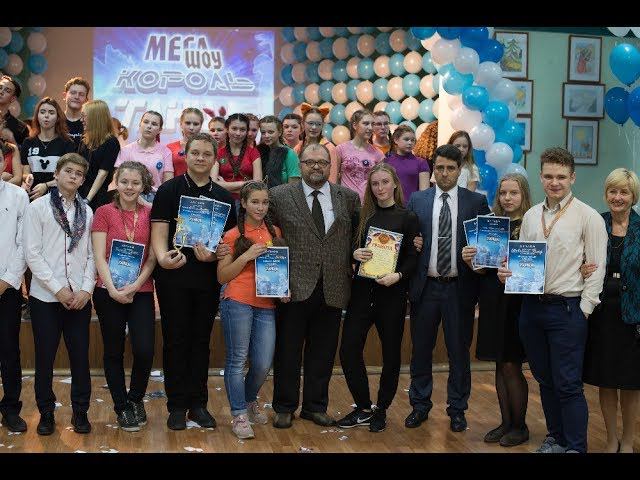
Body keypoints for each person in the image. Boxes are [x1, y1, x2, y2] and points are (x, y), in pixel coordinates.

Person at [498, 147, 607, 454]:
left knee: (568, 384)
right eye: (548, 176)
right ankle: (556, 439)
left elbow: (597, 267)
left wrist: (584, 310)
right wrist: (508, 273)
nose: (554, 182)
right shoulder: (532, 215)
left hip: (567, 310)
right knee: (544, 380)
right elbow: (522, 261)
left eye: (561, 176)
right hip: (531, 309)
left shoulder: (588, 216)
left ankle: (576, 447)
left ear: (572, 177)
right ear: (541, 177)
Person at [267, 143, 360, 429]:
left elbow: (357, 237)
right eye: (310, 162)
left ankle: (315, 407)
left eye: (322, 162)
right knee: (288, 351)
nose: (316, 166)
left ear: (330, 166)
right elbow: (268, 238)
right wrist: (277, 282)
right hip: (293, 287)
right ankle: (284, 407)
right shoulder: (279, 196)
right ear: (301, 165)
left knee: (323, 352)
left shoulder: (348, 197)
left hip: (333, 285)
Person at [150, 132, 237, 430]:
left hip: (206, 278)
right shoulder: (168, 190)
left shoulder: (223, 197)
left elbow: (227, 245)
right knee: (175, 340)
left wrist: (214, 256)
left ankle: (198, 404)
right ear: (185, 155)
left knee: (201, 341)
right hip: (173, 275)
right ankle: (176, 406)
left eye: (206, 154)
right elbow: (159, 232)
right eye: (195, 153)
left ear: (214, 158)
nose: (200, 158)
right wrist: (162, 258)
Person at [406, 144, 490, 433]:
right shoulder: (417, 200)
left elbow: (488, 245)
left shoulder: (476, 202)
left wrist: (478, 254)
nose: (444, 173)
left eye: (450, 168)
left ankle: (457, 409)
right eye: (439, 168)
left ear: (459, 170)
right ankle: (419, 405)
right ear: (433, 170)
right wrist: (413, 243)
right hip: (425, 288)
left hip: (459, 288)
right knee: (421, 350)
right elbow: (407, 239)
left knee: (459, 352)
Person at [337, 163, 419, 433]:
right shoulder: (362, 217)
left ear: (395, 183)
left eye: (385, 182)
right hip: (362, 293)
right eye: (375, 184)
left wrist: (398, 276)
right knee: (348, 350)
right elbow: (351, 249)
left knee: (391, 355)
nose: (380, 188)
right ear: (369, 188)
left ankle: (381, 409)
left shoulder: (408, 218)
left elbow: (413, 258)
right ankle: (363, 407)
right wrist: (355, 254)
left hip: (392, 295)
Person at [23, 153, 95, 436]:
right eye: (69, 171)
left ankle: (80, 411)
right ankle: (46, 412)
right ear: (57, 174)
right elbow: (32, 253)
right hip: (46, 298)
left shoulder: (86, 211)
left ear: (83, 180)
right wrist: (58, 288)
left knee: (80, 358)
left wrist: (86, 289)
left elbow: (91, 255)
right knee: (45, 358)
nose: (73, 176)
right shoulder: (38, 207)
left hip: (79, 298)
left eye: (79, 174)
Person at [462, 173, 532, 447]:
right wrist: (470, 260)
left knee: (511, 363)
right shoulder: (491, 223)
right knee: (499, 363)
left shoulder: (532, 223)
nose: (507, 198)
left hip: (517, 300)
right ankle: (506, 422)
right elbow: (482, 269)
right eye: (503, 193)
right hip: (492, 297)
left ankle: (520, 426)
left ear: (524, 194)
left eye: (513, 193)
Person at [217, 181, 287, 439]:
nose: (260, 207)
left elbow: (278, 269)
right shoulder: (232, 235)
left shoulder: (275, 232)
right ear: (244, 203)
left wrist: (283, 289)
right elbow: (222, 276)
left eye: (265, 202)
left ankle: (248, 400)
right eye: (255, 202)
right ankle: (239, 414)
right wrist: (246, 256)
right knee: (237, 360)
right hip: (237, 300)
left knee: (263, 363)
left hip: (266, 304)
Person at [91, 161, 156, 432]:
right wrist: (113, 290)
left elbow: (152, 257)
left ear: (143, 185)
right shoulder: (103, 212)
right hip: (108, 291)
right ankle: (122, 407)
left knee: (144, 349)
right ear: (116, 183)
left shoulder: (151, 213)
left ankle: (136, 398)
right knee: (113, 350)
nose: (129, 187)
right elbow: (98, 257)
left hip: (141, 290)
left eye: (135, 182)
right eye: (124, 182)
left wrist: (134, 286)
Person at [581, 168, 640, 453]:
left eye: (623, 192)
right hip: (601, 313)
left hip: (633, 316)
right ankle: (611, 439)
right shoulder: (596, 223)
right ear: (606, 194)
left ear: (633, 196)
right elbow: (581, 260)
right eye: (612, 191)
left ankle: (628, 440)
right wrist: (581, 268)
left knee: (630, 383)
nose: (617, 197)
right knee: (605, 381)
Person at [0, 151, 29, 432]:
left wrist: (7, 280)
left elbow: (23, 244)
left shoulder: (18, 196)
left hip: (6, 287)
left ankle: (10, 408)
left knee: (9, 349)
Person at [20, 97, 76, 202]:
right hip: (32, 195)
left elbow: (69, 176)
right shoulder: (28, 142)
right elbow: (25, 172)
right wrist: (27, 177)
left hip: (58, 197)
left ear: (58, 117)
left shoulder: (67, 143)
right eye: (42, 112)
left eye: (51, 112)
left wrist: (46, 185)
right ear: (37, 116)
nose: (46, 116)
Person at [114, 110, 173, 204]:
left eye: (154, 124)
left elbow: (168, 183)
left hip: (155, 198)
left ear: (160, 129)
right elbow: (117, 178)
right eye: (146, 122)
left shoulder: (165, 152)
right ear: (140, 124)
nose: (149, 126)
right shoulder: (126, 150)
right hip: (129, 195)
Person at [77, 100, 121, 210]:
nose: (81, 120)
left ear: (95, 118)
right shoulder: (84, 140)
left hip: (96, 197)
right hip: (79, 192)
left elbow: (103, 174)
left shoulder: (111, 142)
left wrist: (88, 199)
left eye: (84, 116)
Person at [335, 109, 385, 202]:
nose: (370, 128)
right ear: (355, 125)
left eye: (372, 124)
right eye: (366, 123)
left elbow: (380, 183)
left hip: (368, 204)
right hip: (345, 204)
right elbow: (334, 179)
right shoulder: (341, 149)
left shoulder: (378, 154)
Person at [212, 113, 262, 200]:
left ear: (246, 131)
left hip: (246, 201)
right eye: (234, 129)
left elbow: (257, 185)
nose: (238, 133)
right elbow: (213, 184)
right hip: (222, 200)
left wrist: (225, 185)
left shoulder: (253, 152)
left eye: (242, 129)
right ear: (227, 129)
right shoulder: (219, 153)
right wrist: (245, 183)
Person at [385, 124, 429, 205]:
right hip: (391, 207)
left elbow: (424, 193)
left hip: (412, 207)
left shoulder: (421, 162)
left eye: (413, 140)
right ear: (396, 140)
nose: (410, 143)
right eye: (406, 139)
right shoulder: (386, 162)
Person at [293, 104, 337, 183]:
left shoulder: (330, 149)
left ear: (322, 125)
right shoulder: (297, 148)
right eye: (310, 123)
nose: (314, 127)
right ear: (303, 124)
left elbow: (332, 181)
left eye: (318, 124)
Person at [257, 115, 300, 189]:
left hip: (284, 194)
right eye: (263, 132)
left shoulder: (289, 153)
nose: (266, 136)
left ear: (279, 132)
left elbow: (294, 186)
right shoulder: (259, 151)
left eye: (271, 132)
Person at [167, 108, 204, 177]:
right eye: (188, 123)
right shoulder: (169, 148)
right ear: (181, 124)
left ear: (201, 126)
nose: (191, 128)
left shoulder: (207, 147)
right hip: (175, 183)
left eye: (196, 124)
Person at [0, 75, 28, 146]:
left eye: (7, 91)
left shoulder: (21, 128)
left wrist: (12, 140)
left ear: (13, 99)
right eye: (0, 87)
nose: (1, 92)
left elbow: (25, 152)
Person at [62, 77, 90, 146]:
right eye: (73, 93)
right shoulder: (56, 120)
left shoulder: (90, 124)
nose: (77, 97)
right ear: (65, 96)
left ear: (86, 100)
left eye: (81, 94)